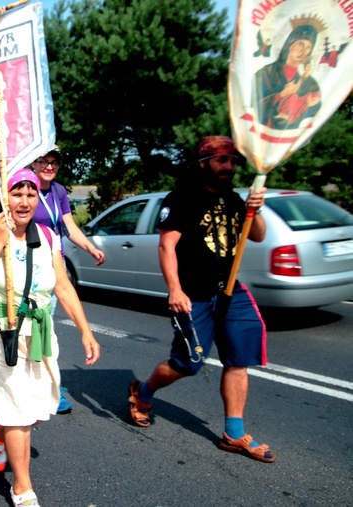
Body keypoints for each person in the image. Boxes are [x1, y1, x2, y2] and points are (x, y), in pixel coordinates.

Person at [0, 168, 100, 507]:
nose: (23, 202)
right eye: (16, 194)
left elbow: (62, 286)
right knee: (19, 411)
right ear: (3, 197)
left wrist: (86, 330)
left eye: (30, 194)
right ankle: (23, 487)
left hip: (39, 332)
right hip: (0, 334)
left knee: (37, 409)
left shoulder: (48, 236)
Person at [127, 136, 276, 463]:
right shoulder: (182, 198)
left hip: (230, 290)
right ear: (203, 163)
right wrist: (175, 290)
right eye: (223, 160)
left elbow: (258, 234)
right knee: (188, 363)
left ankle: (234, 434)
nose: (230, 166)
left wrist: (256, 211)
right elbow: (166, 247)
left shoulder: (233, 199)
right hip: (192, 293)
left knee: (238, 358)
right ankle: (143, 393)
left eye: (234, 161)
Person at [30, 145, 106, 414]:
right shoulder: (24, 186)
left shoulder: (59, 191)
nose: (49, 167)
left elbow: (68, 226)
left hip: (55, 263)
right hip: (29, 264)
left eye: (54, 162)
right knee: (34, 326)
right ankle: (43, 385)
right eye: (43, 161)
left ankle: (48, 385)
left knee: (45, 325)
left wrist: (90, 247)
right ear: (33, 163)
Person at [252, 18, 322, 130]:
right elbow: (252, 105)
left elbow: (315, 114)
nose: (303, 51)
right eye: (300, 44)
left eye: (308, 47)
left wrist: (310, 104)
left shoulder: (310, 82)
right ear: (290, 44)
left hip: (292, 143)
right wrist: (281, 94)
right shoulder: (266, 73)